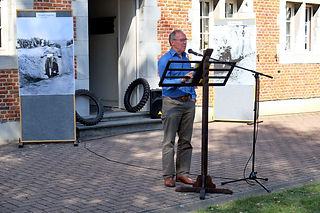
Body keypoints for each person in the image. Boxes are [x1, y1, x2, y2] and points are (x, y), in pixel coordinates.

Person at [158, 30, 196, 187]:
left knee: (186, 141)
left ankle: (183, 174)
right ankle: (168, 175)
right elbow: (165, 81)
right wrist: (182, 79)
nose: (184, 42)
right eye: (181, 40)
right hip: (172, 103)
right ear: (172, 41)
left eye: (185, 40)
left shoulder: (187, 58)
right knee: (169, 141)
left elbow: (191, 78)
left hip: (188, 103)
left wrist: (192, 95)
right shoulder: (165, 59)